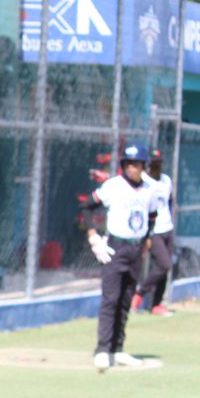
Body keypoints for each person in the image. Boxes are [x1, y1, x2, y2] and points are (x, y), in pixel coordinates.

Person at [79, 142, 158, 372]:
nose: (133, 168)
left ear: (144, 166)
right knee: (111, 298)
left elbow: (152, 216)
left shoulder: (150, 189)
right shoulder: (113, 186)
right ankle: (102, 349)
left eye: (137, 164)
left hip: (136, 248)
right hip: (116, 247)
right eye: (129, 163)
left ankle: (117, 348)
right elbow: (87, 206)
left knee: (125, 299)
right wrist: (94, 236)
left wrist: (147, 240)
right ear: (124, 165)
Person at [132, 148, 175, 316]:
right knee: (165, 264)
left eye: (159, 163)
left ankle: (156, 304)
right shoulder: (144, 181)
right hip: (154, 230)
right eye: (153, 163)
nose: (156, 166)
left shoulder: (166, 180)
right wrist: (146, 233)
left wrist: (170, 218)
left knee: (165, 269)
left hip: (167, 228)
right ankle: (140, 293)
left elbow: (170, 201)